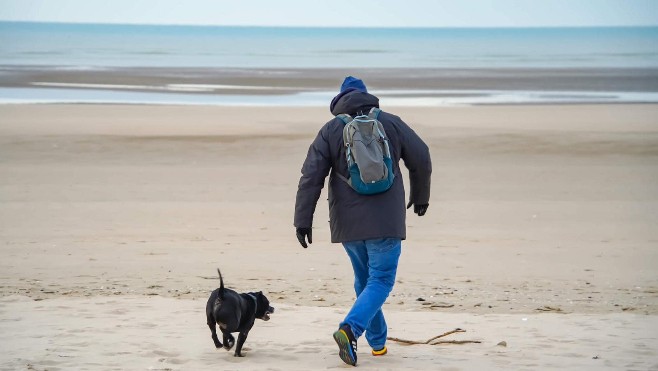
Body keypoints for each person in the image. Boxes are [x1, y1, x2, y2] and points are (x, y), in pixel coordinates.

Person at [294, 76, 431, 366]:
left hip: (348, 224)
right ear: (368, 98)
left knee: (366, 281)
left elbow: (311, 177)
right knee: (380, 280)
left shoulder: (331, 130)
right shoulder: (391, 123)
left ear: (340, 100)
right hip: (386, 220)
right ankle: (350, 329)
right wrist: (421, 196)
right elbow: (421, 156)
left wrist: (302, 220)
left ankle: (378, 345)